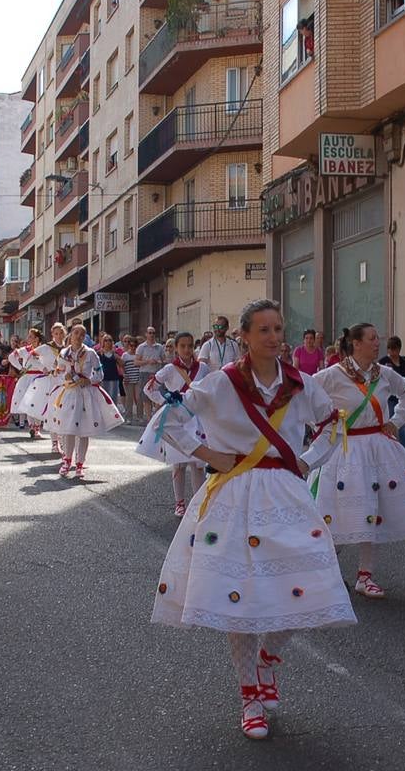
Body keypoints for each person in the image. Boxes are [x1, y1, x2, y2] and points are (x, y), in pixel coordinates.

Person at [150, 299, 354, 740]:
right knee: (237, 598)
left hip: (285, 495)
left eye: (278, 328)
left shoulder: (301, 384)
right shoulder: (222, 383)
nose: (274, 336)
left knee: (300, 586)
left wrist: (307, 461)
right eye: (263, 329)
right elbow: (170, 418)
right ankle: (249, 694)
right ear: (244, 336)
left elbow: (333, 424)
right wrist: (210, 455)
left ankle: (268, 662)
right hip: (234, 494)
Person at [312, 324, 405, 599]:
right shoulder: (333, 375)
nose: (376, 343)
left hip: (377, 450)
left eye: (377, 339)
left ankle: (365, 576)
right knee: (338, 510)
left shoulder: (384, 374)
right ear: (355, 344)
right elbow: (308, 397)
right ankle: (326, 570)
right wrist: (323, 426)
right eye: (371, 339)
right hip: (345, 451)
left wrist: (395, 422)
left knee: (372, 511)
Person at [139, 331, 210, 517]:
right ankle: (179, 502)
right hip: (176, 419)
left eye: (189, 346)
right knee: (178, 463)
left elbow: (211, 389)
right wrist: (165, 399)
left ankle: (198, 502)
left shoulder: (202, 368)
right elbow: (149, 388)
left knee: (198, 462)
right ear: (176, 348)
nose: (186, 350)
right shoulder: (170, 369)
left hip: (196, 418)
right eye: (182, 346)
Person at [44, 324, 123, 478]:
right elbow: (57, 374)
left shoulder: (91, 353)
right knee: (68, 429)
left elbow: (100, 375)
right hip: (68, 394)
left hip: (85, 395)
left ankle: (80, 464)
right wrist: (64, 377)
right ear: (71, 335)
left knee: (83, 431)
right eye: (76, 333)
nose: (78, 336)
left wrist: (89, 381)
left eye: (82, 334)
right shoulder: (63, 353)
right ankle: (67, 461)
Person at [19, 324, 68, 448]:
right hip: (49, 382)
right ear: (52, 335)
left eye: (61, 333)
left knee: (63, 412)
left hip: (65, 382)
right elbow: (30, 356)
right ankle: (54, 443)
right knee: (52, 412)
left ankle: (63, 442)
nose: (59, 336)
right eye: (56, 333)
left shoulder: (68, 348)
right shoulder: (46, 347)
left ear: (65, 334)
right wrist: (42, 367)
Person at [378, 335, 405, 450]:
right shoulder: (384, 362)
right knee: (390, 423)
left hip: (402, 394)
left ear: (399, 349)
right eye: (390, 349)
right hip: (390, 398)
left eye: (395, 349)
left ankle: (404, 449)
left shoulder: (404, 361)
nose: (392, 352)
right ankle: (391, 449)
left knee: (403, 425)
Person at [8, 328, 44, 436]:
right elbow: (11, 357)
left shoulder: (43, 349)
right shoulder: (24, 350)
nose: (28, 338)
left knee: (39, 402)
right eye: (28, 336)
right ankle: (32, 426)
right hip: (28, 376)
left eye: (30, 336)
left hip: (40, 377)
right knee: (28, 402)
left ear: (36, 338)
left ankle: (37, 427)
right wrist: (20, 367)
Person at [136, 327, 167, 420]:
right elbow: (136, 362)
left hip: (156, 374)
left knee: (158, 396)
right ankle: (149, 419)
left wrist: (158, 361)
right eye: (150, 333)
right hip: (144, 373)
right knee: (146, 397)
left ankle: (156, 417)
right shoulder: (141, 347)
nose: (152, 335)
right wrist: (147, 361)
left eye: (153, 333)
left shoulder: (160, 347)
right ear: (146, 334)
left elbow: (164, 359)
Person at [120, 335, 143, 424]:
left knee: (138, 398)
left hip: (137, 379)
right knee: (129, 399)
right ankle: (128, 417)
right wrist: (124, 375)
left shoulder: (139, 355)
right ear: (128, 346)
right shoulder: (125, 355)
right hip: (128, 379)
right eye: (131, 345)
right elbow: (122, 366)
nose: (133, 347)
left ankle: (140, 416)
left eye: (135, 346)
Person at [98, 333, 122, 403]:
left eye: (110, 340)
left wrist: (116, 356)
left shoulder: (115, 353)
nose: (108, 342)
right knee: (104, 398)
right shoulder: (99, 354)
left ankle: (113, 413)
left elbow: (122, 364)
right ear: (103, 342)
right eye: (106, 340)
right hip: (103, 378)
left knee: (113, 398)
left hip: (114, 378)